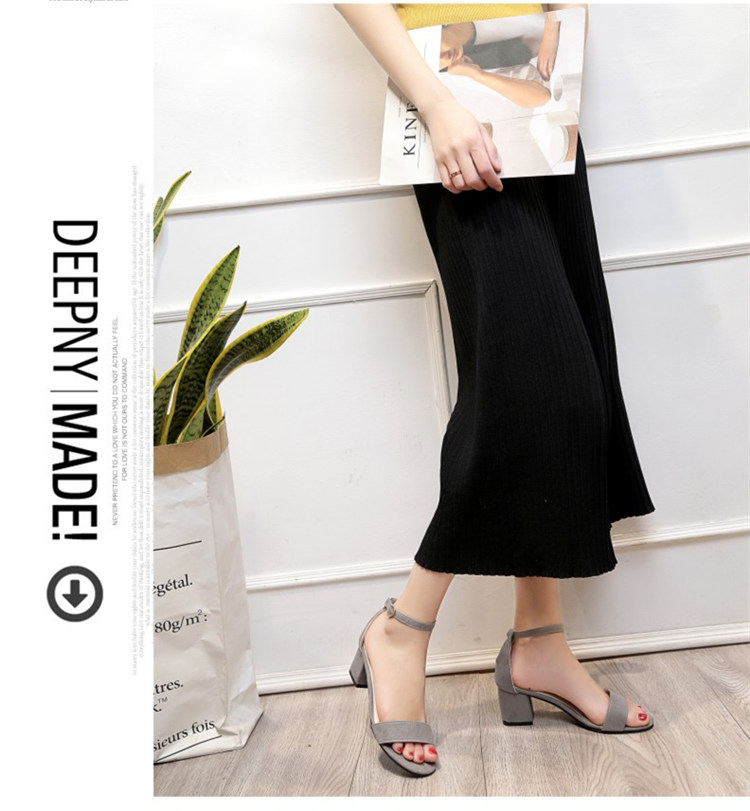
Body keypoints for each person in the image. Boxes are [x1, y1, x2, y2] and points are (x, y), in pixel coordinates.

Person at [335, 3, 655, 777]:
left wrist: (560, 41)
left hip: (539, 85)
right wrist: (437, 104)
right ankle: (402, 628)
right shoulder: (445, 104)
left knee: (569, 376)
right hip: (455, 101)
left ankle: (539, 640)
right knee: (533, 383)